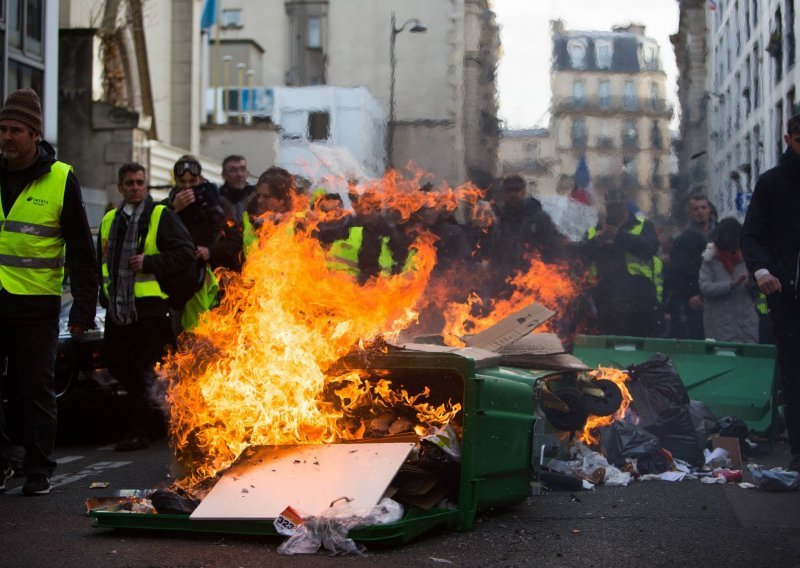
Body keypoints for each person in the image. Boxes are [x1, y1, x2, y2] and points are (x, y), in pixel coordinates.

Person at [0, 88, 97, 495]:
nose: (6, 137)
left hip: (36, 304)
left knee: (36, 388)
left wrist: (82, 312)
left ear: (35, 134)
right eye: (2, 128)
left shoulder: (60, 178)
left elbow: (80, 249)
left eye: (15, 130)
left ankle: (39, 469)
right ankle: (3, 461)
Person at [99, 163, 196, 451]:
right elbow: (100, 264)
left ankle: (139, 431)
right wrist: (105, 298)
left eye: (140, 182)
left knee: (146, 370)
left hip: (150, 308)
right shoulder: (109, 220)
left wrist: (149, 262)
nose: (135, 188)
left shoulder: (159, 215)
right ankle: (153, 420)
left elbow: (185, 253)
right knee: (116, 363)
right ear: (120, 187)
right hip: (119, 308)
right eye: (129, 183)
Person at [741, 113, 800, 472]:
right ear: (789, 138)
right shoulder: (773, 183)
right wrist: (762, 271)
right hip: (787, 296)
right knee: (794, 373)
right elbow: (752, 234)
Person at [583, 200, 663, 337]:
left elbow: (650, 248)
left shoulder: (643, 225)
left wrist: (619, 236)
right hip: (606, 303)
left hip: (639, 303)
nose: (614, 211)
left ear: (624, 206)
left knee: (641, 348)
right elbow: (581, 257)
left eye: (617, 206)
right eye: (610, 206)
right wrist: (598, 241)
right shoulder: (593, 231)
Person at [664, 192, 717, 339]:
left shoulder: (720, 233)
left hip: (718, 294)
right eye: (696, 209)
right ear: (689, 212)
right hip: (695, 298)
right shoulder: (683, 239)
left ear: (709, 209)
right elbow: (676, 271)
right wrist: (690, 294)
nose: (700, 212)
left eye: (703, 207)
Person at [699, 218, 758, 343]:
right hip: (720, 324)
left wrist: (752, 282)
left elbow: (757, 291)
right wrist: (731, 284)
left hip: (746, 324)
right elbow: (705, 287)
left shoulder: (747, 258)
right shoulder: (711, 260)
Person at [218, 154, 255, 226]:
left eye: (242, 169)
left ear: (247, 173)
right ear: (224, 175)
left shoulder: (256, 196)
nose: (239, 174)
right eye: (233, 170)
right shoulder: (217, 198)